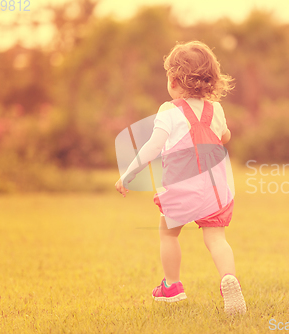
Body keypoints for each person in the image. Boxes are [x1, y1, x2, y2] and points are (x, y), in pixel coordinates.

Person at [115, 41, 246, 315]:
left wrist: (128, 174)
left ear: (174, 81)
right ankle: (228, 279)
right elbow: (224, 136)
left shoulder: (169, 110)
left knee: (168, 233)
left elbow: (152, 146)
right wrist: (223, 136)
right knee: (216, 238)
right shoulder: (216, 110)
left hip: (182, 186)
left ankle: (172, 286)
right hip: (214, 187)